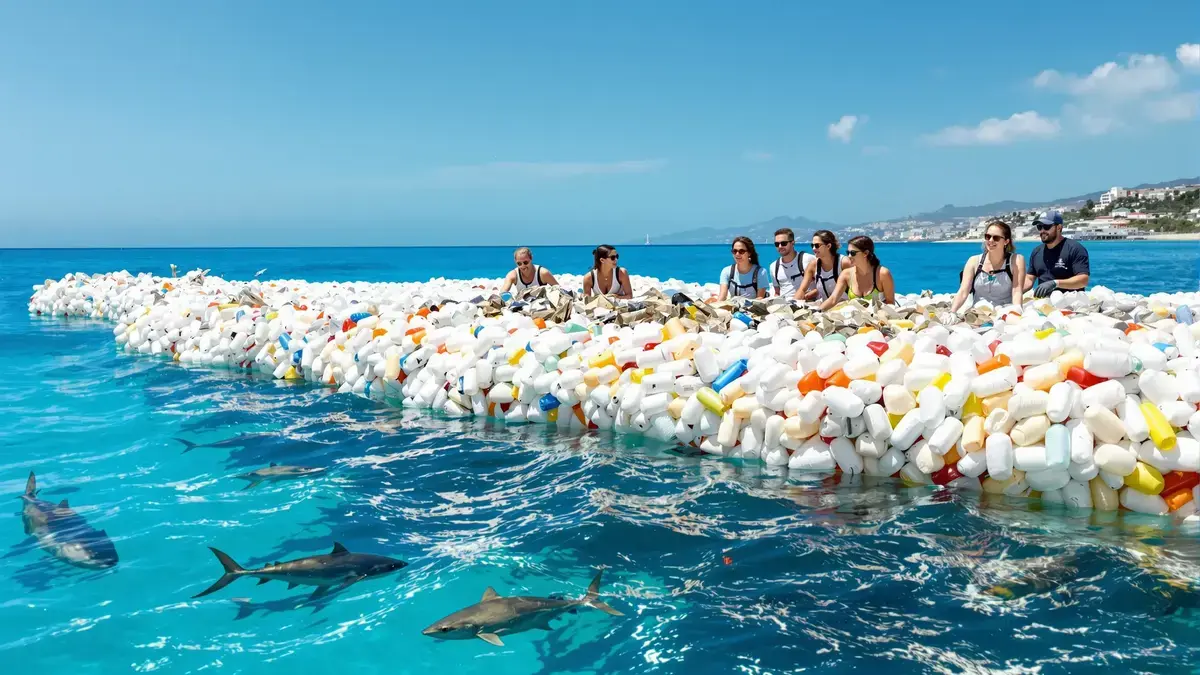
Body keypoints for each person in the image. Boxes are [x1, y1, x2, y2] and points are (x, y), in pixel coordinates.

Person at [950, 220, 1027, 311]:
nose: (991, 240)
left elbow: (1017, 291)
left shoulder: (1016, 260)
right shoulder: (973, 261)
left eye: (996, 238)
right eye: (988, 236)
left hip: (1004, 311)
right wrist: (952, 311)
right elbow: (963, 291)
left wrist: (1017, 311)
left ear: (1006, 241)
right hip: (978, 313)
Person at [1023, 210, 1089, 298]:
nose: (1042, 230)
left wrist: (1055, 283)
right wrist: (1015, 290)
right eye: (1039, 227)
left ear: (1059, 227)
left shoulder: (1075, 249)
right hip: (1044, 302)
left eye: (1046, 226)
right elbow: (1029, 279)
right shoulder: (1037, 252)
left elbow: (1083, 280)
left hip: (1069, 302)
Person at [818, 235, 895, 310]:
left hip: (878, 319)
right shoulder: (846, 274)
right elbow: (833, 299)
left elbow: (890, 303)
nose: (849, 256)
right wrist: (817, 311)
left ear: (866, 253)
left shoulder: (882, 274)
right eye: (847, 252)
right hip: (854, 319)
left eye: (853, 253)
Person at [795, 229, 851, 304]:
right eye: (812, 245)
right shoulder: (813, 265)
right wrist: (792, 304)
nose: (813, 248)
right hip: (824, 308)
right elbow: (802, 290)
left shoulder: (844, 263)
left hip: (846, 308)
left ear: (828, 246)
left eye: (817, 245)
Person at [769, 228, 815, 298]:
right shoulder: (774, 266)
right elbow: (777, 293)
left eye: (783, 243)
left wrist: (806, 296)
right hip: (785, 306)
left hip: (808, 303)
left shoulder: (808, 259)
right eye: (777, 244)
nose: (780, 246)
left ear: (793, 243)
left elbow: (821, 286)